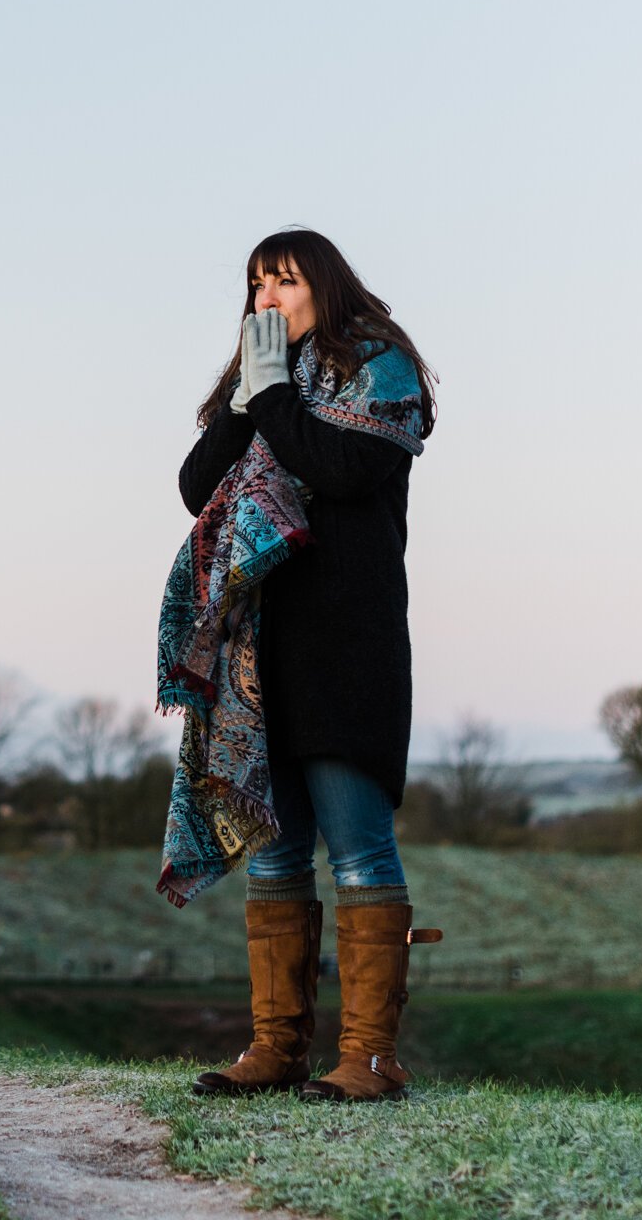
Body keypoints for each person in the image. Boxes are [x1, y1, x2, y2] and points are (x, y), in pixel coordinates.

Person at [155, 227, 442, 1104]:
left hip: (346, 642)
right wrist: (249, 397)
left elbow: (340, 471)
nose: (267, 298)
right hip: (258, 654)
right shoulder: (259, 386)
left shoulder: (379, 369)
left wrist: (276, 397)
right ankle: (277, 1050)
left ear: (324, 284)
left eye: (283, 280)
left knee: (357, 846)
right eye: (255, 284)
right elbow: (199, 484)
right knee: (276, 855)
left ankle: (371, 1059)